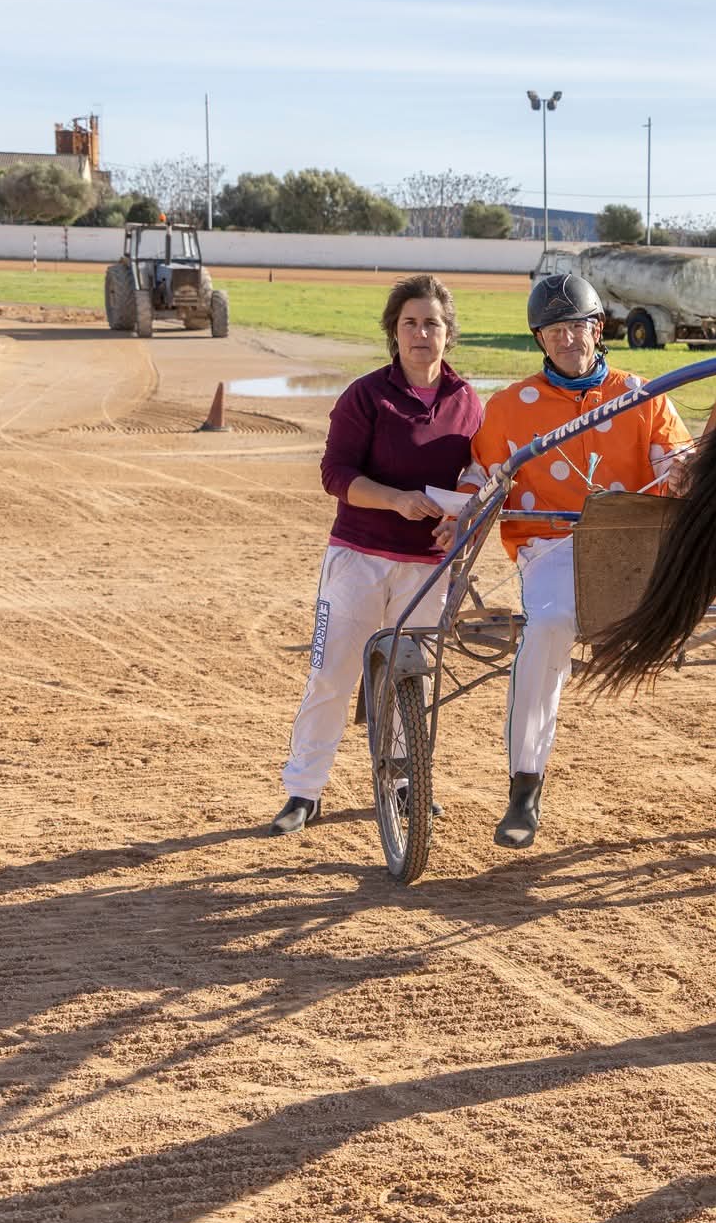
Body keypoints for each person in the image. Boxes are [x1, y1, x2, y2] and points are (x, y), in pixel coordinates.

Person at [458, 273, 692, 850]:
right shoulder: (510, 408)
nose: (567, 339)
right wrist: (460, 509)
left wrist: (686, 469)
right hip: (552, 547)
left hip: (636, 542)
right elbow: (481, 480)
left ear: (599, 329)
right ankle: (525, 785)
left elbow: (679, 455)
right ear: (541, 339)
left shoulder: (641, 395)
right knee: (552, 623)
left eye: (577, 327)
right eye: (553, 331)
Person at [270, 274, 484, 835]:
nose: (421, 334)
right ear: (394, 332)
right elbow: (335, 474)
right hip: (358, 558)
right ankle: (304, 790)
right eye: (409, 323)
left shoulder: (467, 402)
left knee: (409, 677)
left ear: (448, 334)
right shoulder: (366, 395)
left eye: (431, 324)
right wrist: (395, 500)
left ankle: (403, 781)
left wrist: (459, 519)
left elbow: (479, 478)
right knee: (331, 673)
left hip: (427, 566)